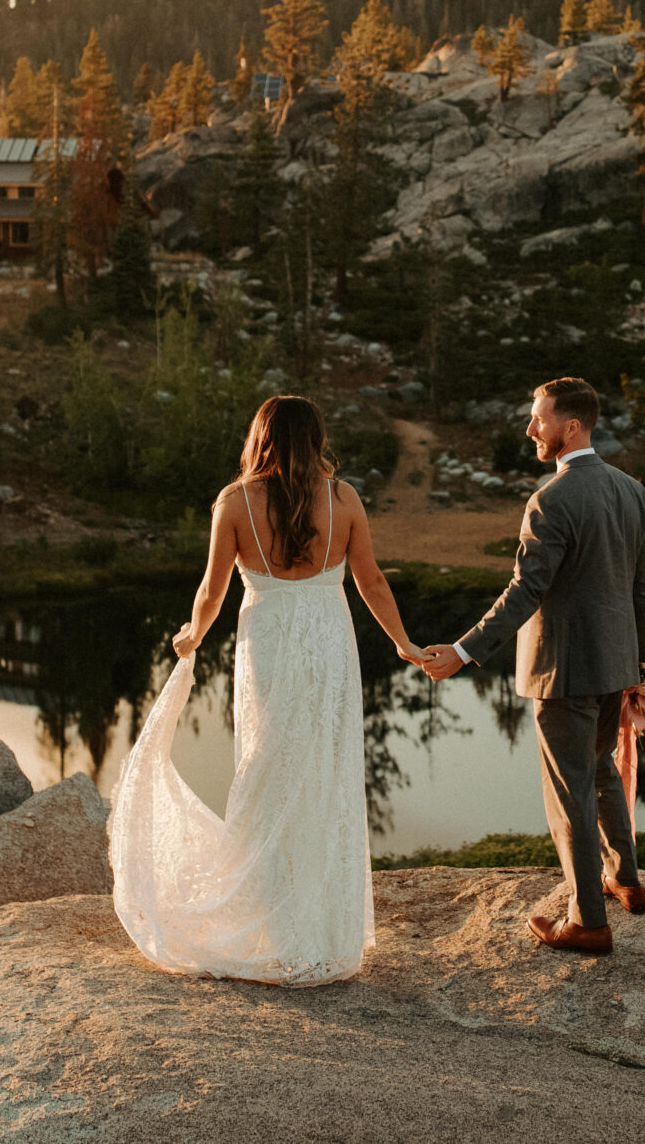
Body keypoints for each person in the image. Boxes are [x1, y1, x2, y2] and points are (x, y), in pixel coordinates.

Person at [108, 395, 424, 985]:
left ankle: (274, 923)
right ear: (315, 439)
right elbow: (371, 580)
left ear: (260, 438)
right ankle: (324, 932)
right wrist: (403, 644)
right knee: (324, 772)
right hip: (330, 642)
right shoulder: (344, 499)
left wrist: (192, 636)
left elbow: (212, 589)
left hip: (270, 644)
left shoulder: (234, 503)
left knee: (268, 769)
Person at [420, 376, 645, 954]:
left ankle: (588, 921)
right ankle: (625, 879)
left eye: (539, 419)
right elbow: (643, 589)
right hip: (617, 662)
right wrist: (640, 664)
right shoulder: (631, 490)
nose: (531, 430)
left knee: (568, 790)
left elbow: (525, 592)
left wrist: (464, 649)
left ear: (570, 426)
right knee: (600, 769)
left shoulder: (551, 500)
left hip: (564, 670)